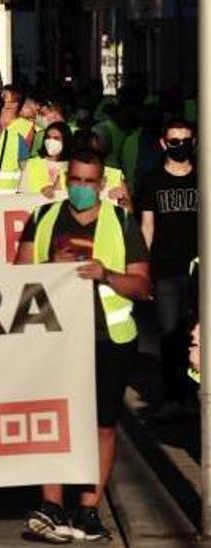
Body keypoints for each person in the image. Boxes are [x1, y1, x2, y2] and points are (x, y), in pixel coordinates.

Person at [18, 148, 151, 543]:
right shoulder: (42, 219)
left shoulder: (121, 222)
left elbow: (142, 286)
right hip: (53, 337)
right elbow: (17, 277)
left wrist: (105, 274)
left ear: (102, 184)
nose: (81, 189)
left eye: (90, 182)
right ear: (66, 180)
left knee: (102, 426)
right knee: (52, 421)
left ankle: (88, 508)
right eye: (75, 180)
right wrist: (51, 270)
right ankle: (52, 505)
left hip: (107, 338)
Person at [136, 119, 199, 420]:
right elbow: (147, 227)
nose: (180, 146)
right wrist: (144, 269)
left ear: (194, 142)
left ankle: (198, 393)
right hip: (165, 270)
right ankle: (175, 397)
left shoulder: (204, 177)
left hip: (202, 271)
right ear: (164, 144)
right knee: (171, 334)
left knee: (201, 335)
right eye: (174, 141)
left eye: (185, 140)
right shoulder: (152, 182)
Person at [20, 121, 73, 196]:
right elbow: (22, 195)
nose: (51, 141)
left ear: (66, 141)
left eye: (56, 138)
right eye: (48, 137)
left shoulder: (73, 167)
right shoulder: (31, 164)